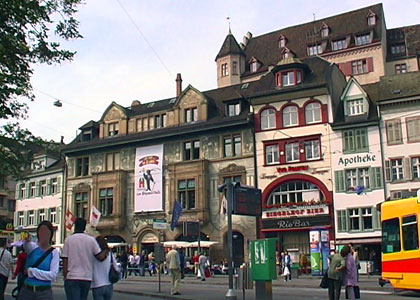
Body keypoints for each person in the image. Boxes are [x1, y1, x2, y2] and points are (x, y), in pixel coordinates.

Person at [62, 218, 109, 300]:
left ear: (75, 226)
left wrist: (65, 276)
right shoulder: (91, 240)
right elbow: (100, 257)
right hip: (86, 277)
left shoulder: (68, 240)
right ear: (84, 228)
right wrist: (106, 250)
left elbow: (65, 260)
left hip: (72, 276)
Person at [18, 221, 59, 300]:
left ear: (51, 234)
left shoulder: (54, 252)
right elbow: (27, 246)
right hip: (27, 290)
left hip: (44, 292)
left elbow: (53, 275)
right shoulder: (33, 247)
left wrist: (32, 271)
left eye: (46, 232)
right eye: (41, 231)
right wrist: (26, 241)